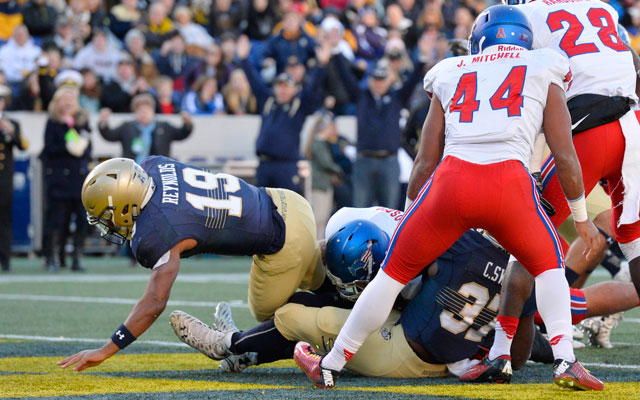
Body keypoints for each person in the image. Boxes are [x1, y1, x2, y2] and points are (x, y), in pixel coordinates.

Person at [294, 5, 604, 391]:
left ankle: (333, 362)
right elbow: (564, 153)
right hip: (510, 183)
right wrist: (580, 217)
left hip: (452, 182)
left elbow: (426, 160)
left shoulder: (452, 69)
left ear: (480, 40)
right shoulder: (544, 65)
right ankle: (565, 362)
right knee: (549, 267)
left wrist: (410, 217)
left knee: (391, 276)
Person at [169, 207, 639, 377]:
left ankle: (229, 347)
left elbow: (401, 283)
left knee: (297, 315)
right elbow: (544, 325)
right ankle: (246, 349)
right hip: (480, 332)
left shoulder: (433, 240)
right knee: (545, 320)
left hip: (417, 352)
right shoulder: (515, 257)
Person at [57, 154, 327, 371]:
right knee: (323, 284)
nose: (109, 224)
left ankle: (235, 345)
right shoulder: (152, 164)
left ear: (126, 204)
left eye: (108, 215)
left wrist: (107, 349)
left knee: (271, 315)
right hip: (288, 201)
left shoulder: (154, 233)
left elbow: (154, 302)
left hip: (282, 241)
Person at [497, 0, 640, 345]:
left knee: (528, 240)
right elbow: (633, 64)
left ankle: (502, 349)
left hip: (587, 128)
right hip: (632, 123)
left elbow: (519, 89)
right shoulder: (602, 8)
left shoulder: (528, 14)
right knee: (635, 245)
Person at [332, 42, 427, 208]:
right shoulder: (361, 96)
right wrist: (336, 53)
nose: (378, 83)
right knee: (360, 207)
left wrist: (421, 59)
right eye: (375, 79)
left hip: (388, 160)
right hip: (364, 159)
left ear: (388, 81)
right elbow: (345, 77)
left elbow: (412, 81)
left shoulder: (397, 97)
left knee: (390, 208)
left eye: (382, 79)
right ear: (370, 80)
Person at [237, 35, 330, 194]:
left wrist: (321, 65)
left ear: (295, 89)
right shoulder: (268, 101)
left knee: (288, 209)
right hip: (264, 164)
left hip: (287, 165)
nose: (282, 90)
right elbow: (254, 81)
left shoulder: (300, 106)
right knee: (262, 208)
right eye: (279, 86)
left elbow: (313, 86)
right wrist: (244, 59)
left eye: (286, 86)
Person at [40, 86, 91, 272]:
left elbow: (88, 149)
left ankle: (76, 257)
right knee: (57, 220)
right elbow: (49, 149)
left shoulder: (82, 122)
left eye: (71, 99)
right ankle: (53, 256)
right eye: (64, 99)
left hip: (79, 179)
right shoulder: (53, 123)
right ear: (58, 102)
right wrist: (66, 146)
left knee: (81, 220)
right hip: (59, 180)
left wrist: (78, 144)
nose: (68, 102)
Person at [98, 94, 192, 162]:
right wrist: (104, 122)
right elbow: (110, 135)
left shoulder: (164, 127)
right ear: (135, 112)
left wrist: (187, 123)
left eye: (146, 110)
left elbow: (182, 134)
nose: (144, 113)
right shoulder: (127, 127)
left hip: (158, 169)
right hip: (132, 169)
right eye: (140, 110)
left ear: (153, 111)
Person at [0, 85, 28, 272]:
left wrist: (10, 131)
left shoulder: (12, 122)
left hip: (3, 179)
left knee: (4, 220)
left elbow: (23, 146)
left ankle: (5, 260)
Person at [305, 111, 343, 239]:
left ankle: (318, 244)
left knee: (323, 218)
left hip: (324, 184)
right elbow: (326, 163)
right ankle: (314, 245)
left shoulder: (322, 143)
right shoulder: (318, 143)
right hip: (319, 184)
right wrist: (340, 170)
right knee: (319, 218)